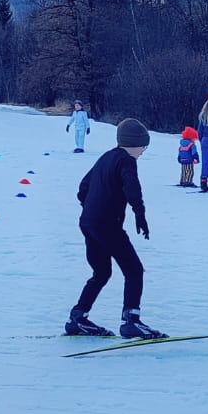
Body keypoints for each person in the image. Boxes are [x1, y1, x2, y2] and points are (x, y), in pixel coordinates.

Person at [67, 119, 165, 340]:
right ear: (134, 143)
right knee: (134, 270)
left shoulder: (106, 157)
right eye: (143, 147)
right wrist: (139, 213)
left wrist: (91, 208)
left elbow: (83, 188)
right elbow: (132, 188)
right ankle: (131, 321)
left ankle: (78, 317)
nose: (143, 152)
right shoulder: (126, 161)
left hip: (88, 223)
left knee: (101, 272)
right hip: (107, 224)